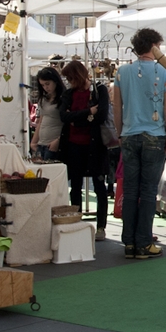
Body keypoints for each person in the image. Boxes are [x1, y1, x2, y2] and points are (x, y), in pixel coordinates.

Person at [111, 28, 166, 259]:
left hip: (129, 134)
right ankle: (144, 243)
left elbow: (116, 107)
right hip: (155, 135)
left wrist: (121, 132)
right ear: (154, 46)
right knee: (148, 191)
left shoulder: (122, 72)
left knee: (130, 189)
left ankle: (129, 243)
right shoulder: (165, 71)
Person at [56, 61, 111, 241]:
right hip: (73, 145)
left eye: (71, 77)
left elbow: (101, 115)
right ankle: (76, 222)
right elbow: (64, 116)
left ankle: (101, 226)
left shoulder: (99, 90)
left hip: (95, 145)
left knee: (99, 185)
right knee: (76, 186)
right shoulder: (69, 93)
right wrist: (88, 113)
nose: (69, 81)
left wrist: (77, 119)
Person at [32, 67, 65, 162]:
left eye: (47, 84)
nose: (46, 87)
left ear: (55, 81)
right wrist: (34, 142)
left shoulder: (63, 98)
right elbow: (41, 120)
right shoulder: (43, 99)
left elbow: (67, 123)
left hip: (53, 143)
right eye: (42, 85)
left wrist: (58, 141)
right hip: (41, 143)